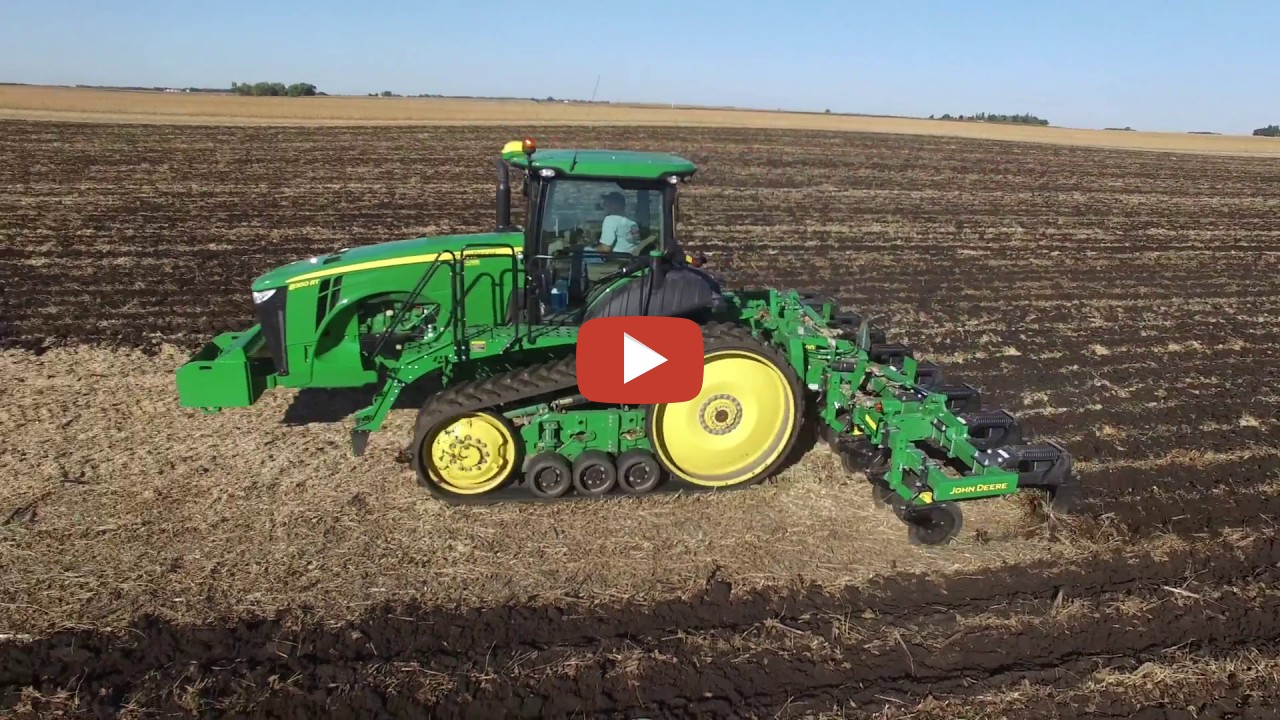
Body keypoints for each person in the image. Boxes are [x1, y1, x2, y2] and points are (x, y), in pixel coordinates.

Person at [593, 191, 642, 258]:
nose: (604, 206)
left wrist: (592, 248)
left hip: (617, 262)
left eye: (606, 203)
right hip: (632, 263)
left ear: (617, 205)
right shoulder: (632, 222)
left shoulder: (610, 219)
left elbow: (605, 249)